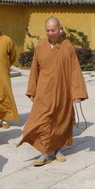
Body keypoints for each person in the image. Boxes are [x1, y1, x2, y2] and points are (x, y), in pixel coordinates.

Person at [17, 17, 88, 166]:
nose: (50, 33)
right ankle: (44, 152)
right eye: (48, 30)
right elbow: (34, 70)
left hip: (62, 91)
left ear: (60, 29)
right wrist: (32, 90)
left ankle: (57, 150)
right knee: (40, 121)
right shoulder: (40, 47)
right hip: (43, 92)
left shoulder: (67, 46)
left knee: (60, 121)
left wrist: (77, 93)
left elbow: (75, 70)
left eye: (53, 30)